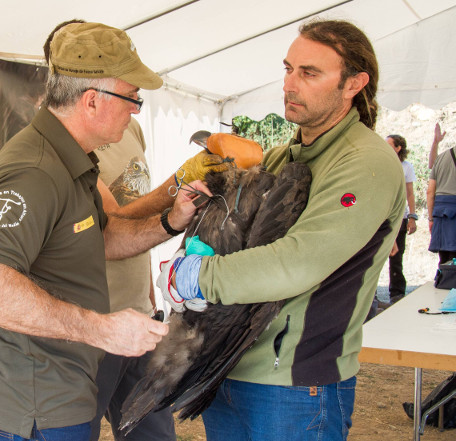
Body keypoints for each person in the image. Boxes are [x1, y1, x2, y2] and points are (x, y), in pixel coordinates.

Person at [0, 22, 215, 441]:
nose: (136, 109)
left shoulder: (72, 158)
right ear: (92, 100)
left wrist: (172, 220)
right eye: (132, 98)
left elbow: (105, 237)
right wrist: (103, 329)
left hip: (62, 388)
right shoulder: (34, 171)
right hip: (35, 403)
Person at [160, 19, 406, 440]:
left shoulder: (365, 162)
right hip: (228, 365)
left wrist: (196, 277)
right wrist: (209, 213)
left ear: (354, 83)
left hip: (295, 384)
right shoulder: (277, 159)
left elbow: (298, 263)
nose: (290, 85)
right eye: (288, 69)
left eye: (309, 73)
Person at [385, 134, 417, 304]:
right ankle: (371, 297)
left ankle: (396, 294)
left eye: (389, 144)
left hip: (400, 217)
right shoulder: (381, 164)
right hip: (382, 216)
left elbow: (410, 194)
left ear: (398, 148)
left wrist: (412, 216)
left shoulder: (406, 167)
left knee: (397, 257)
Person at [427, 124, 456, 265]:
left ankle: (445, 283)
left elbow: (430, 191)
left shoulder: (442, 157)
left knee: (445, 259)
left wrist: (430, 218)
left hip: (441, 213)